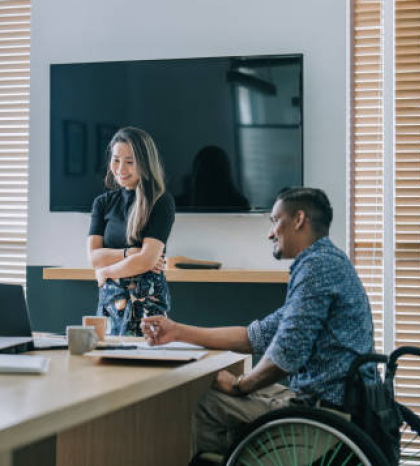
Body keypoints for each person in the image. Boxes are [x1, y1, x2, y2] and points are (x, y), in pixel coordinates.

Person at [141, 187, 375, 458]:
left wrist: (240, 384)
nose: (270, 232)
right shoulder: (329, 262)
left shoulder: (316, 268)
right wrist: (177, 331)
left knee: (210, 404)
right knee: (229, 396)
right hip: (331, 401)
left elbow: (285, 355)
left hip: (321, 413)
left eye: (276, 220)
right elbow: (255, 336)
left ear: (299, 220)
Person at [88, 127, 175, 336]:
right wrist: (130, 253)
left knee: (144, 364)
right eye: (116, 160)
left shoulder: (160, 201)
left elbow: (146, 261)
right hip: (110, 300)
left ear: (144, 163)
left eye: (130, 161)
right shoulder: (102, 203)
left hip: (147, 302)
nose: (121, 169)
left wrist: (106, 271)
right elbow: (94, 258)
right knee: (107, 362)